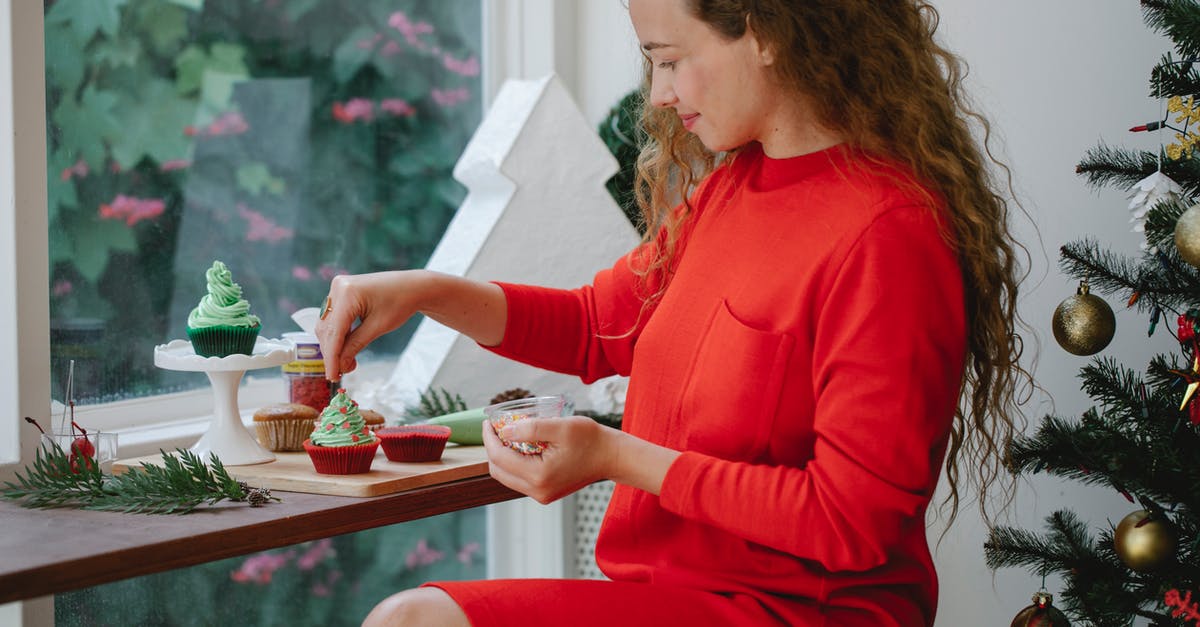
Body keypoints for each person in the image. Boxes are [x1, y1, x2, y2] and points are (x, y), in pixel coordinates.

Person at [316, 0, 1030, 625]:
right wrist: (424, 292)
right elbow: (597, 325)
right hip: (674, 594)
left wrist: (615, 457)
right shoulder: (729, 192)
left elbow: (851, 521)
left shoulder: (890, 233)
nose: (658, 95)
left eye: (670, 60)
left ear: (765, 30)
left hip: (800, 612)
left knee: (414, 621)